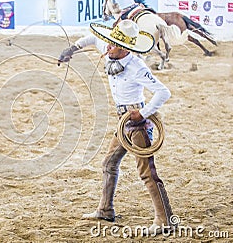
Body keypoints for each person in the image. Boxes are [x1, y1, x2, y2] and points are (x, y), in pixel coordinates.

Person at [58, 19, 174, 234]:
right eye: (108, 44)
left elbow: (163, 92)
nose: (107, 47)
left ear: (124, 49)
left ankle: (164, 219)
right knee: (109, 163)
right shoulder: (111, 48)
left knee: (147, 173)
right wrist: (72, 49)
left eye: (112, 45)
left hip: (137, 123)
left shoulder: (137, 67)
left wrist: (143, 113)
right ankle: (105, 209)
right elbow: (93, 39)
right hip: (123, 122)